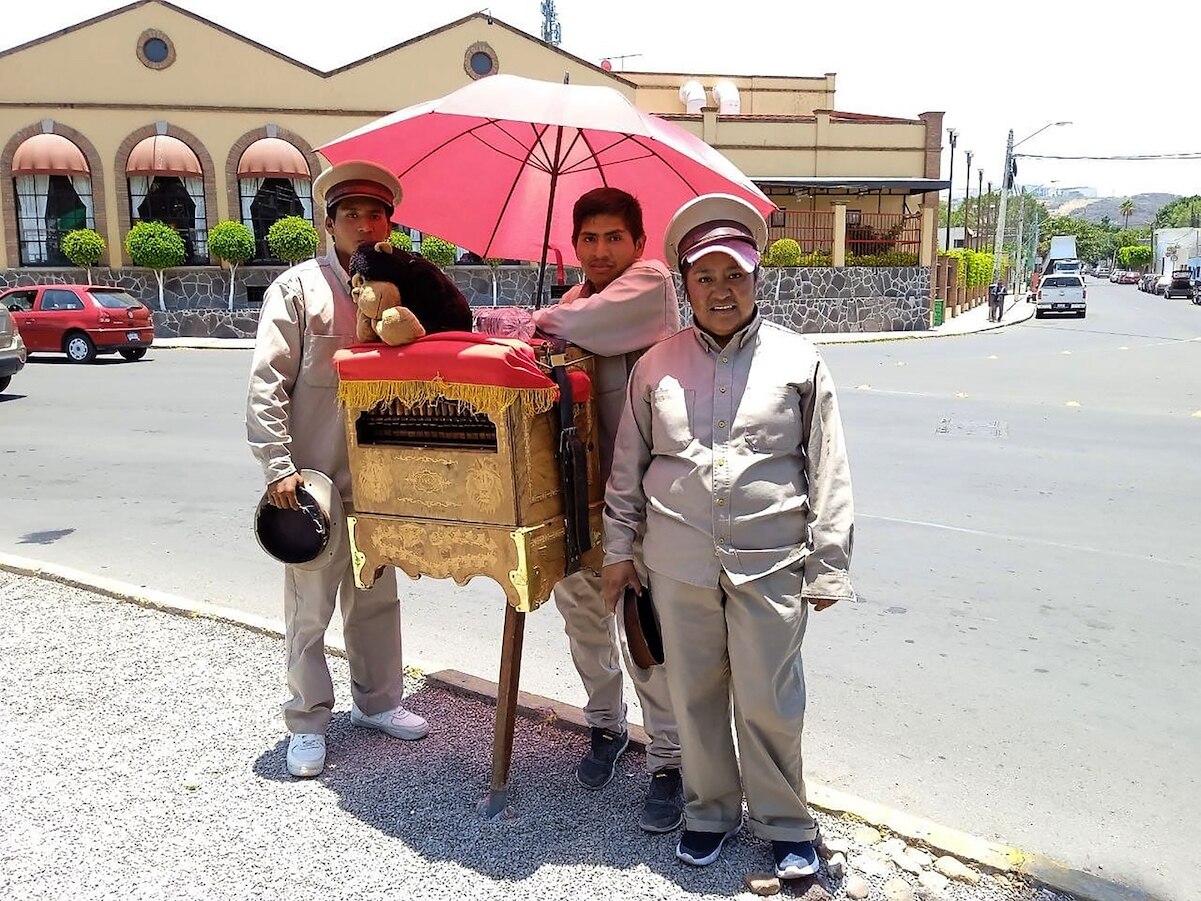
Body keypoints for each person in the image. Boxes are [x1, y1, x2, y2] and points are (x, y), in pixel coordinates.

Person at [601, 194, 856, 878]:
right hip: (677, 565)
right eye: (705, 276)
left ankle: (784, 821)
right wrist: (618, 552)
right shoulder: (655, 365)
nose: (721, 290)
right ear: (684, 284)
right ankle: (709, 809)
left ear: (755, 279)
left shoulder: (797, 363)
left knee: (770, 696)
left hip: (770, 561)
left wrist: (828, 564)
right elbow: (628, 466)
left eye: (734, 275)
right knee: (694, 694)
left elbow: (828, 468)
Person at [246, 160, 429, 780]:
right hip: (313, 480)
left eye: (375, 214)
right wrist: (278, 467)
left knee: (376, 596)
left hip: (379, 479)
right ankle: (306, 721)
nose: (364, 224)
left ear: (389, 224)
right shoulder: (299, 291)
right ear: (329, 224)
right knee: (309, 605)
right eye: (351, 214)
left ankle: (377, 703)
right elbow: (267, 383)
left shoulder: (402, 286)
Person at [531, 187, 685, 832]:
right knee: (583, 619)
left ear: (638, 243)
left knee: (644, 629)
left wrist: (540, 319)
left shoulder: (650, 284)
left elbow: (577, 327)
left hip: (643, 504)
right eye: (587, 239)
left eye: (612, 238)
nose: (599, 251)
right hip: (575, 496)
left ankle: (671, 760)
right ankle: (604, 726)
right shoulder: (576, 299)